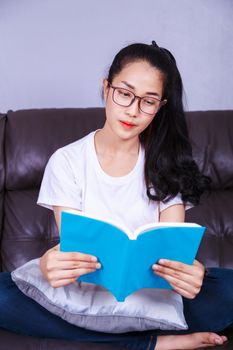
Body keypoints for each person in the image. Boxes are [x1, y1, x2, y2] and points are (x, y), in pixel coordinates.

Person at [0, 41, 233, 350]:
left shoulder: (167, 164)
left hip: (151, 299)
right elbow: (75, 252)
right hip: (82, 294)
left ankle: (129, 337)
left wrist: (190, 271)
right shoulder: (67, 161)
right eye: (125, 93)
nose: (133, 111)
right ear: (106, 88)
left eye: (148, 101)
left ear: (160, 107)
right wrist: (50, 265)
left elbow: (173, 256)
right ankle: (153, 343)